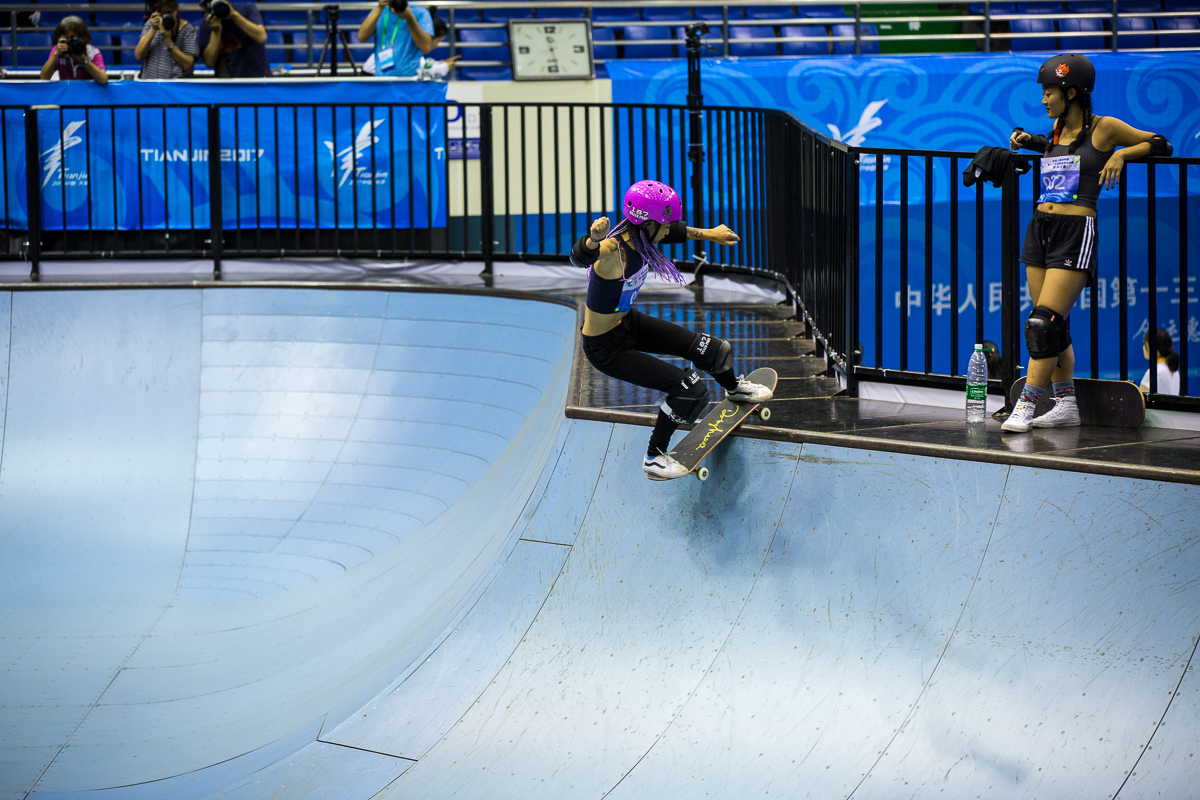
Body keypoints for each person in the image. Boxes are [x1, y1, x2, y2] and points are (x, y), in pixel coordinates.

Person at [1002, 53, 1174, 433]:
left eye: (1049, 93)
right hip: (1040, 229)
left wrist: (1123, 154)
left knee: (1042, 325)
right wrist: (1028, 141)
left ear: (1072, 92)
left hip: (1075, 234)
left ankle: (1026, 405)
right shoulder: (1056, 133)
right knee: (1054, 324)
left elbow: (1161, 144)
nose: (1044, 100)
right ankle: (1065, 403)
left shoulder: (1104, 128)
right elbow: (1060, 157)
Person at [571, 180, 773, 480]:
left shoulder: (641, 236)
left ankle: (734, 389)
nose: (667, 231)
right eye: (663, 226)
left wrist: (711, 234)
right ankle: (654, 456)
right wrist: (591, 240)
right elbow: (580, 257)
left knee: (715, 350)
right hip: (606, 347)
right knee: (691, 390)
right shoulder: (613, 249)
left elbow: (676, 230)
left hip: (628, 323)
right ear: (648, 222)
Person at [356, 0, 436, 78]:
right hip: (381, 80)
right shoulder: (379, 12)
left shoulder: (420, 13)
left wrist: (409, 18)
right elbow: (362, 37)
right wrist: (379, 8)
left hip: (409, 81)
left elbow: (426, 47)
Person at [197, 0, 270, 78]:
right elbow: (209, 63)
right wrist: (216, 32)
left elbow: (261, 37)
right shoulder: (206, 23)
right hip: (227, 83)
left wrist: (234, 15)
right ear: (203, 7)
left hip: (257, 78)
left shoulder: (247, 9)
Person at [135, 0, 199, 79]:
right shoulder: (151, 24)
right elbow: (139, 55)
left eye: (168, 13)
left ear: (176, 10)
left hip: (175, 88)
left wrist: (169, 41)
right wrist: (153, 29)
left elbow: (187, 65)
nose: (166, 17)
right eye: (162, 13)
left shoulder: (187, 29)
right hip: (150, 85)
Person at [40, 16, 108, 84]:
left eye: (74, 39)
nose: (72, 43)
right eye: (68, 39)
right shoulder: (59, 51)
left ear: (83, 37)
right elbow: (44, 77)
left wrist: (84, 60)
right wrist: (56, 54)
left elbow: (103, 79)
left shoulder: (92, 52)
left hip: (88, 93)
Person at [1139, 328, 1181, 396]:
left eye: (1145, 345)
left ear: (1156, 350)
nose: (1143, 348)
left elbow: (1140, 402)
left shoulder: (1154, 372)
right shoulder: (1174, 371)